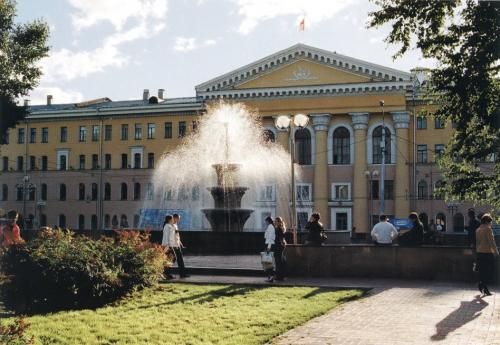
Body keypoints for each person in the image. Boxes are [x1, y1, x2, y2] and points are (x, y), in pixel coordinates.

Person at [475, 213, 498, 296]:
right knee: (490, 271)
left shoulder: (478, 230)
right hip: (487, 252)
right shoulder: (488, 229)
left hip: (480, 252)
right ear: (488, 221)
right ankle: (482, 284)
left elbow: (477, 242)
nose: (491, 223)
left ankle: (484, 287)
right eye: (490, 221)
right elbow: (492, 241)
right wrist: (496, 252)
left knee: (482, 271)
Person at [172, 213, 189, 278]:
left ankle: (183, 274)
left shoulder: (175, 224)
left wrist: (181, 244)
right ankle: (165, 273)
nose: (179, 220)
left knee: (180, 259)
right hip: (173, 245)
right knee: (173, 259)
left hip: (177, 245)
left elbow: (177, 235)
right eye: (178, 218)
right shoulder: (170, 225)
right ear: (174, 218)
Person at [161, 215, 176, 279]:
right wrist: (168, 246)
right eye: (172, 219)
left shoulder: (168, 226)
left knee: (169, 259)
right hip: (168, 245)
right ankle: (166, 274)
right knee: (172, 258)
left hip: (168, 245)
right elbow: (167, 237)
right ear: (170, 220)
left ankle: (167, 274)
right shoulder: (168, 226)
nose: (173, 220)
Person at [274, 217, 287, 281]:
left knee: (278, 261)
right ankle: (280, 276)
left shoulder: (278, 228)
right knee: (280, 261)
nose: (274, 222)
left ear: (279, 222)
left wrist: (281, 243)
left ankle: (279, 276)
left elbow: (280, 237)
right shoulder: (281, 228)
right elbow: (282, 237)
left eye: (276, 221)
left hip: (278, 246)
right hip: (281, 245)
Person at [263, 216, 276, 282]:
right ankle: (270, 277)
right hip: (269, 244)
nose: (265, 222)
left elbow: (270, 238)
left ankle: (271, 277)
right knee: (268, 261)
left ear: (268, 221)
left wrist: (268, 247)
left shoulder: (270, 227)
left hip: (269, 245)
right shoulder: (270, 227)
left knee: (269, 261)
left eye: (266, 221)